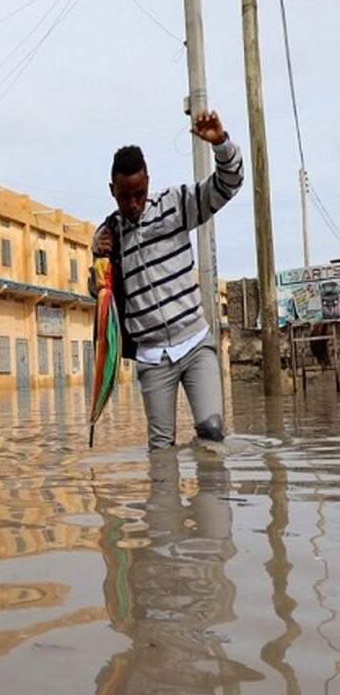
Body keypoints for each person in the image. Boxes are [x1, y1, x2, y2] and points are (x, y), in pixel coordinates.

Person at [90, 110, 243, 451]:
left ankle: (211, 498)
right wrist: (99, 260)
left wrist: (221, 144)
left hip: (195, 343)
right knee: (160, 450)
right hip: (152, 358)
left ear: (148, 182)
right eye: (124, 196)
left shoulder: (175, 206)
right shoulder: (108, 236)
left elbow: (227, 185)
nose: (133, 204)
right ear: (112, 190)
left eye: (140, 193)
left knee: (213, 432)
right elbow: (100, 299)